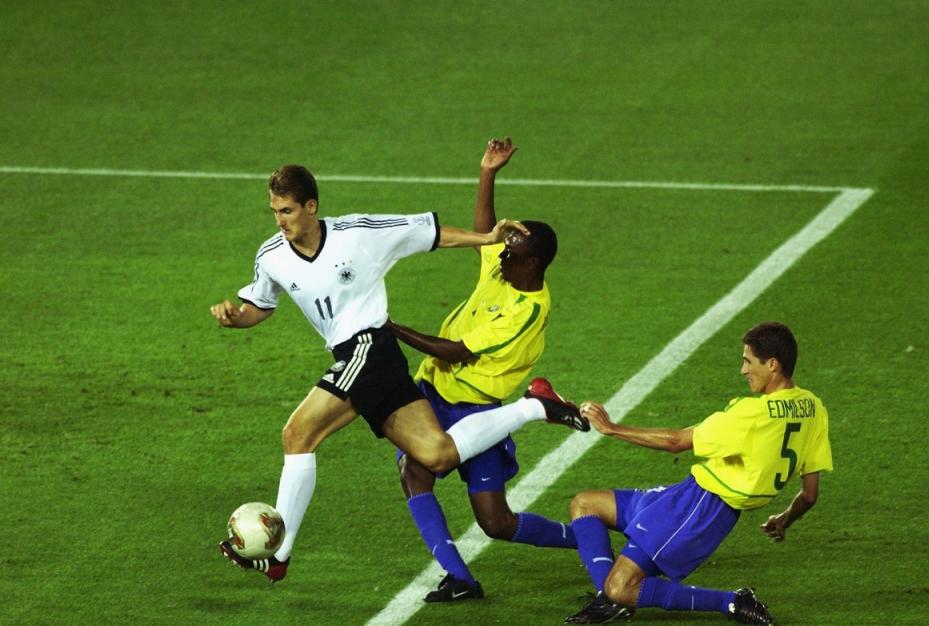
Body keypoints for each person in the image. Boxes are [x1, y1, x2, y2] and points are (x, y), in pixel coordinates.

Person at [210, 157, 588, 584]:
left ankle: (279, 552)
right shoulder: (272, 255)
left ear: (311, 206)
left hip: (369, 347)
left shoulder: (358, 234)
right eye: (275, 212)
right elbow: (260, 305)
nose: (280, 221)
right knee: (436, 454)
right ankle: (534, 408)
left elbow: (431, 234)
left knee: (298, 434)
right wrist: (235, 318)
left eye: (288, 211)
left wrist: (485, 237)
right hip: (367, 359)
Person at [386, 137, 582, 602]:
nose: (499, 258)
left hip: (478, 412)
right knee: (415, 473)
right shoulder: (508, 265)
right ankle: (459, 577)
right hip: (433, 394)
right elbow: (484, 233)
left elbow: (456, 351)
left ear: (533, 263)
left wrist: (388, 327)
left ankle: (589, 539)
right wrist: (487, 172)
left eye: (510, 254)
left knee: (496, 522)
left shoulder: (527, 310)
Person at [563, 322, 832, 625]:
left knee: (620, 587)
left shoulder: (752, 414)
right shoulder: (814, 408)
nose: (743, 370)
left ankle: (732, 601)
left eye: (748, 361)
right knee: (584, 504)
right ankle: (609, 601)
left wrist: (612, 428)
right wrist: (784, 520)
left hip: (701, 509)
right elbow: (810, 494)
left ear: (772, 365)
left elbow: (677, 441)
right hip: (688, 494)